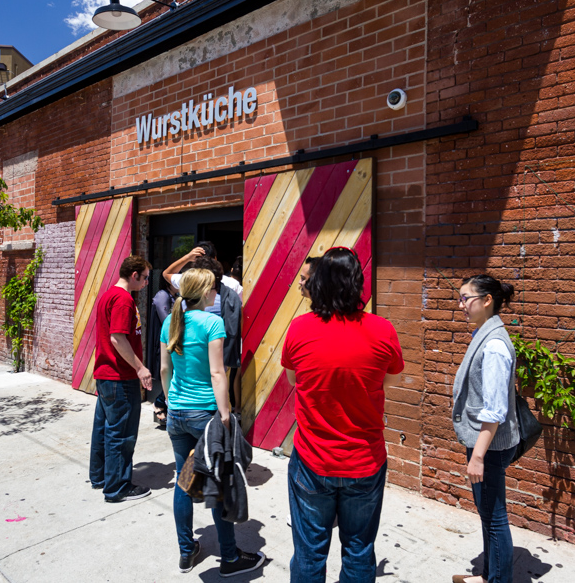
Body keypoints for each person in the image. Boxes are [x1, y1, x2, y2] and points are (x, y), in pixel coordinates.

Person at [281, 247, 404, 583]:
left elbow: (295, 380)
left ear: (317, 284)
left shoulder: (299, 329)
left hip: (312, 461)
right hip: (364, 461)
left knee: (309, 551)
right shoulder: (383, 330)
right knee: (359, 549)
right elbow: (388, 380)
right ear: (357, 283)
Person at [160, 268, 266, 577]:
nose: (216, 294)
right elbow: (218, 374)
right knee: (217, 485)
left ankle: (185, 551)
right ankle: (230, 558)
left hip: (177, 413)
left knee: (184, 479)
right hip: (205, 414)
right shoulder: (212, 322)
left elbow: (165, 369)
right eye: (213, 290)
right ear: (205, 293)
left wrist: (170, 401)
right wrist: (225, 414)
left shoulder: (171, 321)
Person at [451, 274, 519, 583]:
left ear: (487, 300)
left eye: (466, 298)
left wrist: (477, 456)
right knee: (488, 512)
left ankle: (497, 579)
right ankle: (489, 574)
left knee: (494, 517)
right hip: (485, 444)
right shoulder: (486, 334)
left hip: (487, 447)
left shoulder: (493, 345)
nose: (461, 304)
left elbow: (494, 411)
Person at [88, 255, 154, 503]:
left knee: (104, 429)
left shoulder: (108, 295)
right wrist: (140, 368)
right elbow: (117, 338)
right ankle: (117, 488)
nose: (147, 282)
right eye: (145, 278)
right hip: (119, 376)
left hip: (107, 375)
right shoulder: (123, 300)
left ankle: (100, 477)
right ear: (134, 275)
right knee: (122, 434)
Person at [147, 275, 178, 427]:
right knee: (171, 375)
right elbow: (167, 320)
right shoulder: (162, 295)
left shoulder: (174, 296)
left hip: (170, 341)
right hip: (164, 342)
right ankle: (159, 403)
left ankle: (161, 405)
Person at [163, 241, 244, 299]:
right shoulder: (232, 284)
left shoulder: (188, 280)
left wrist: (187, 257)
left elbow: (167, 273)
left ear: (194, 260)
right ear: (215, 259)